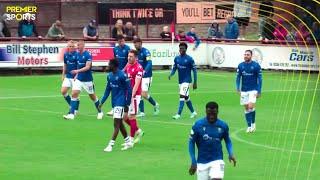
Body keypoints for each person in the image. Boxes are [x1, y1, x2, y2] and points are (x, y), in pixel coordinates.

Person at [188, 101, 236, 180]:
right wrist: (193, 161)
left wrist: (231, 153)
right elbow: (191, 142)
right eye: (209, 113)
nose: (211, 116)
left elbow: (227, 140)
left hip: (217, 160)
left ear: (217, 112)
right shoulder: (197, 125)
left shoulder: (223, 125)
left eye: (214, 114)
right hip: (202, 162)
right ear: (206, 112)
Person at [99, 59, 133, 152]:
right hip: (114, 102)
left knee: (116, 124)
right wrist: (101, 102)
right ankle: (128, 141)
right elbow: (107, 90)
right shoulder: (109, 76)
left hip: (121, 103)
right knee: (120, 123)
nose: (108, 66)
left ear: (114, 66)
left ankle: (110, 145)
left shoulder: (122, 75)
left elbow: (129, 90)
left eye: (109, 64)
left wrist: (127, 104)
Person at [63, 41, 103, 120]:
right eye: (77, 45)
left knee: (93, 97)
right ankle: (72, 114)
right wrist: (77, 75)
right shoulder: (77, 54)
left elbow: (87, 67)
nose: (77, 47)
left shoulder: (88, 54)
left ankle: (100, 112)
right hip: (79, 79)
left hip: (87, 79)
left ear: (83, 45)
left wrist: (77, 72)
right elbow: (78, 66)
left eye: (78, 45)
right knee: (74, 93)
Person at [168, 42, 197, 120]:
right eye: (180, 48)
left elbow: (194, 71)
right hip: (180, 81)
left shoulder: (190, 59)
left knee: (182, 96)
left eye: (182, 48)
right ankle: (193, 112)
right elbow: (174, 68)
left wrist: (195, 82)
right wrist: (171, 74)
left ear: (186, 49)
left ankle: (178, 114)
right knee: (186, 98)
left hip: (187, 81)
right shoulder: (177, 58)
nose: (181, 50)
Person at [236, 50, 262, 133]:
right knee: (246, 108)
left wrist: (259, 91)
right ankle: (249, 126)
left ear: (251, 56)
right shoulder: (240, 65)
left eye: (248, 55)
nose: (246, 56)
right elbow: (238, 78)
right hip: (244, 90)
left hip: (253, 89)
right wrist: (237, 88)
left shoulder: (256, 66)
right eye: (245, 54)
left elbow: (260, 79)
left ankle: (253, 124)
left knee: (250, 106)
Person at [133, 38, 160, 117]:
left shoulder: (146, 52)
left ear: (141, 43)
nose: (135, 45)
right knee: (139, 93)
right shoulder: (135, 53)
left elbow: (149, 63)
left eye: (136, 43)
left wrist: (145, 71)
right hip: (138, 76)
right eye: (134, 43)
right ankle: (142, 112)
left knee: (143, 94)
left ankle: (155, 104)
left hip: (146, 76)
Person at [123, 49, 144, 144]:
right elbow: (122, 73)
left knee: (132, 116)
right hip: (127, 94)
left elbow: (137, 83)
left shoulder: (139, 68)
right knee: (124, 117)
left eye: (131, 56)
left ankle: (130, 140)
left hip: (134, 96)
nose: (129, 58)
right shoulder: (128, 65)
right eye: (128, 56)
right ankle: (138, 131)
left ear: (136, 58)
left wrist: (132, 95)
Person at [107, 35, 131, 116]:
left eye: (123, 41)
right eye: (120, 41)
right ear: (118, 41)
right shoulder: (115, 49)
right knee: (114, 90)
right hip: (116, 72)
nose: (122, 43)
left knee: (125, 91)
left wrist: (123, 69)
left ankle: (126, 106)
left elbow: (129, 61)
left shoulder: (128, 49)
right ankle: (114, 108)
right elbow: (114, 60)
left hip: (124, 73)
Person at [61, 40, 78, 113]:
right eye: (69, 46)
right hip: (68, 76)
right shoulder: (66, 54)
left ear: (74, 47)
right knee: (63, 91)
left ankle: (73, 110)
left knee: (74, 94)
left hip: (75, 77)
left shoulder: (77, 55)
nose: (70, 47)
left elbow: (79, 66)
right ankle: (72, 106)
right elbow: (65, 65)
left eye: (72, 46)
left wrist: (77, 75)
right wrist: (63, 75)